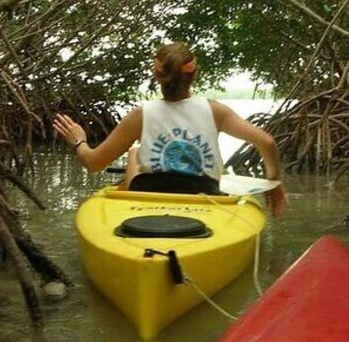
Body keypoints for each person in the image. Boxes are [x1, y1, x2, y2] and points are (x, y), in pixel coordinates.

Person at [53, 42, 288, 218]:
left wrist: (78, 141)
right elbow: (266, 143)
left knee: (136, 153)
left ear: (157, 76)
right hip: (203, 193)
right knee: (136, 152)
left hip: (146, 193)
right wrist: (274, 183)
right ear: (194, 75)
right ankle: (135, 161)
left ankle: (128, 174)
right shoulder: (216, 111)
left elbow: (93, 163)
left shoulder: (140, 115)